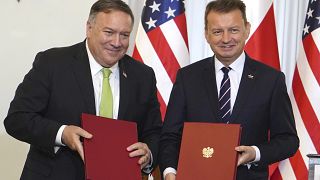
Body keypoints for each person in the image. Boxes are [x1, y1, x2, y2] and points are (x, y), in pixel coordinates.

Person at [4, 0, 162, 179]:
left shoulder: (143, 75)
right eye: (109, 32)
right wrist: (62, 133)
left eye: (124, 35)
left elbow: (154, 131)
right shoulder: (52, 64)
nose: (117, 42)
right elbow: (17, 119)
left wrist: (148, 154)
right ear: (89, 28)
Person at [159, 0, 299, 179]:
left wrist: (255, 153)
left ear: (247, 29)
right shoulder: (187, 78)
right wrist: (170, 172)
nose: (226, 39)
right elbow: (170, 136)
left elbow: (289, 140)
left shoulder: (271, 80)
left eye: (233, 30)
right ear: (207, 35)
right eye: (217, 31)